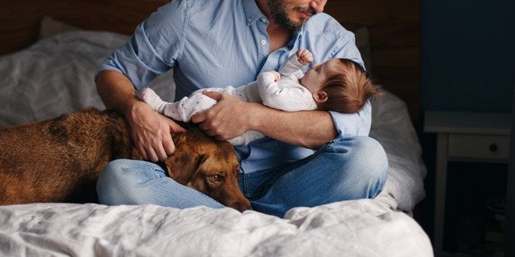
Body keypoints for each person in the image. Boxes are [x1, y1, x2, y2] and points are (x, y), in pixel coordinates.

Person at [94, 0, 388, 217]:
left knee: (369, 159)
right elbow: (112, 72)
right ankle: (256, 221)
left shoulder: (333, 39)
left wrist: (252, 117)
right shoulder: (190, 15)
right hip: (198, 182)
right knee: (118, 179)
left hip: (293, 181)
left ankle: (224, 220)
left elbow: (353, 128)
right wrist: (135, 111)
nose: (321, 6)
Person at [139, 49, 380, 146]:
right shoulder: (303, 88)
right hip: (235, 99)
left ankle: (163, 108)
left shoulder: (301, 99)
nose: (312, 67)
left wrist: (268, 76)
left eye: (317, 70)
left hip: (240, 127)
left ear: (321, 95)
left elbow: (273, 95)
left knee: (200, 102)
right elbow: (287, 76)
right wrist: (295, 63)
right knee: (202, 98)